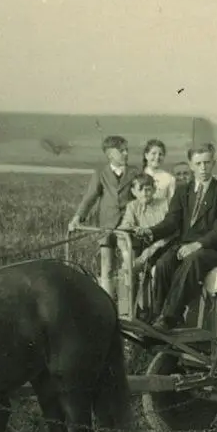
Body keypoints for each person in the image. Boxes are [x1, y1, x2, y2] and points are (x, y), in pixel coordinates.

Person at [137, 143, 217, 331]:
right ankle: (159, 315)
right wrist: (152, 231)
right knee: (163, 264)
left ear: (213, 163)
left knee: (192, 260)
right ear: (191, 165)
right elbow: (172, 221)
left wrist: (198, 244)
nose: (203, 168)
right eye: (198, 163)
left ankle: (169, 317)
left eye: (207, 163)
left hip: (212, 249)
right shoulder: (183, 191)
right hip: (185, 246)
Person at [68, 135, 143, 296]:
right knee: (107, 266)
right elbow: (90, 197)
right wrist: (78, 217)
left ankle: (125, 307)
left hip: (128, 227)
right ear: (110, 155)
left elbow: (141, 196)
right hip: (106, 226)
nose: (125, 153)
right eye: (121, 151)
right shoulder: (101, 173)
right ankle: (107, 302)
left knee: (128, 266)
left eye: (126, 150)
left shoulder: (134, 172)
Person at [116, 174, 172, 314]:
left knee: (153, 268)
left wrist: (150, 250)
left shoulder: (165, 204)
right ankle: (126, 312)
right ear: (134, 192)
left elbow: (171, 232)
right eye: (140, 190)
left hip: (164, 247)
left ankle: (155, 312)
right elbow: (122, 231)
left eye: (148, 189)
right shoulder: (133, 206)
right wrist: (126, 253)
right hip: (146, 250)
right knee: (126, 268)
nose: (145, 194)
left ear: (154, 190)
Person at [141, 138, 176, 212]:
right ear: (146, 155)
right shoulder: (138, 175)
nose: (157, 157)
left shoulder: (169, 178)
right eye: (153, 153)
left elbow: (171, 205)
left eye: (160, 154)